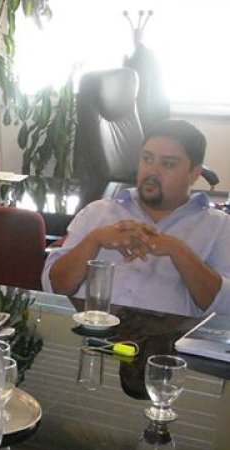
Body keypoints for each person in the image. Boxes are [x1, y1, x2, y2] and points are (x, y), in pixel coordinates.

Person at [42, 119, 230, 317]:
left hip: (167, 335)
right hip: (90, 330)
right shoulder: (97, 212)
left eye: (168, 164)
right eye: (147, 159)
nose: (152, 171)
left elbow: (226, 309)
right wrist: (93, 240)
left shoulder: (219, 227)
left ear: (194, 174)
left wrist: (178, 251)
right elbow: (55, 287)